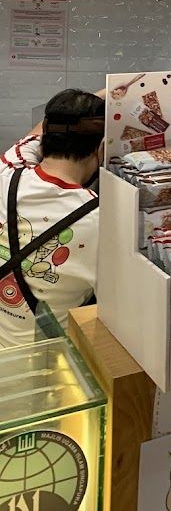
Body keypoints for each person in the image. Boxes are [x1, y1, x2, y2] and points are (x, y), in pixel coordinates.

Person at [0, 89, 104, 347]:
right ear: (102, 147)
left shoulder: (7, 172)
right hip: (46, 364)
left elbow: (33, 136)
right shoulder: (103, 221)